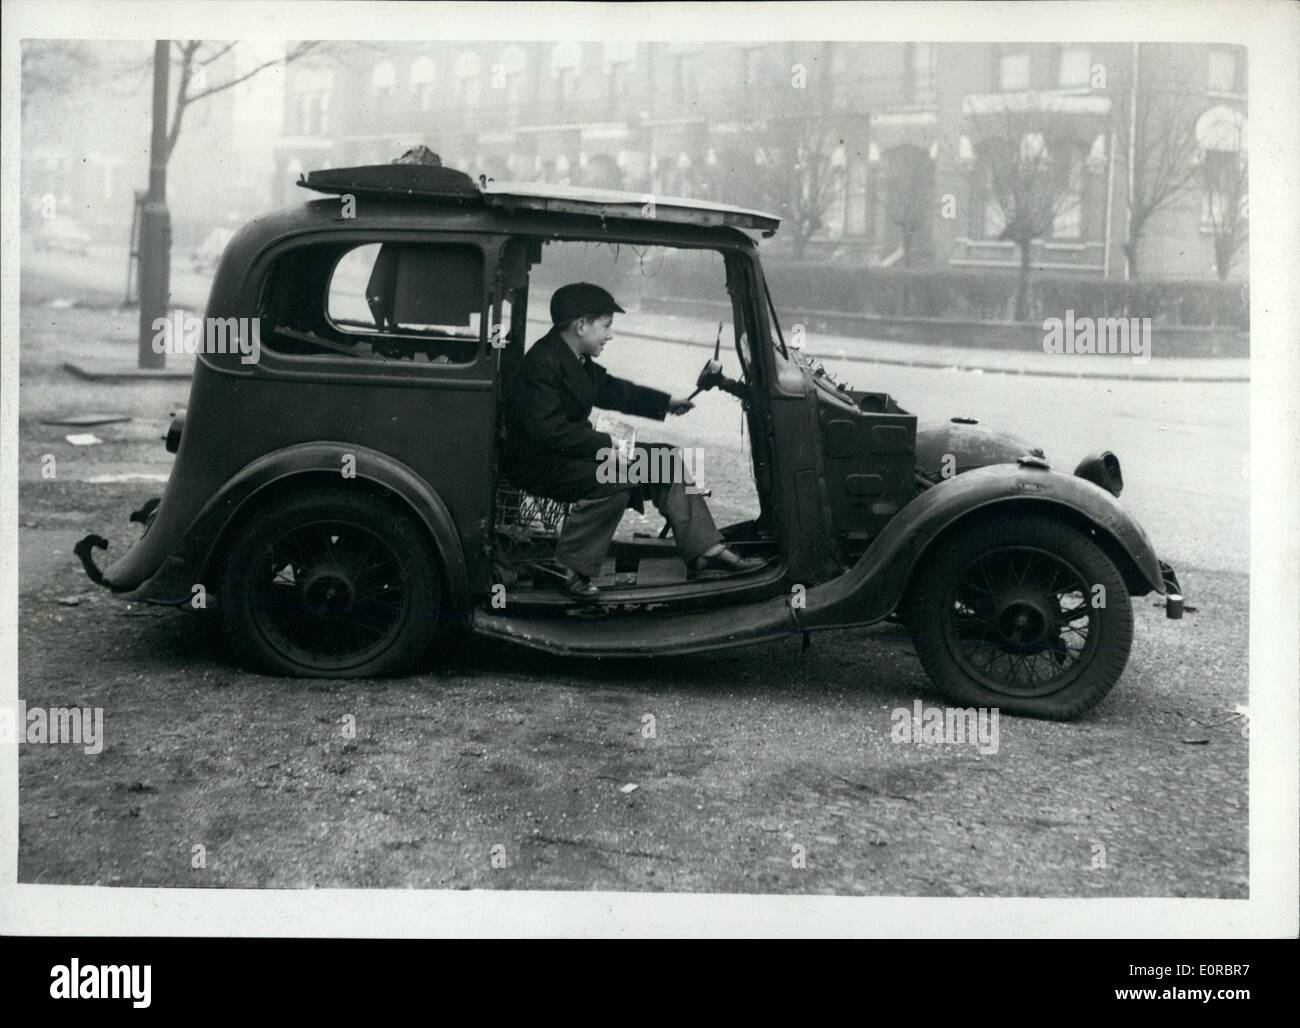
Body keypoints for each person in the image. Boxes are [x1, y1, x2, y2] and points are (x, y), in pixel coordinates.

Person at [501, 282, 765, 600]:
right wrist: (607, 447)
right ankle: (569, 568)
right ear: (581, 325)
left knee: (667, 461)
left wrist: (666, 402)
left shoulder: (568, 356)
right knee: (617, 477)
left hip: (568, 455)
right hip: (540, 463)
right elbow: (548, 430)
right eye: (606, 326)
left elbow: (612, 390)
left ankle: (706, 550)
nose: (610, 335)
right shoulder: (543, 362)